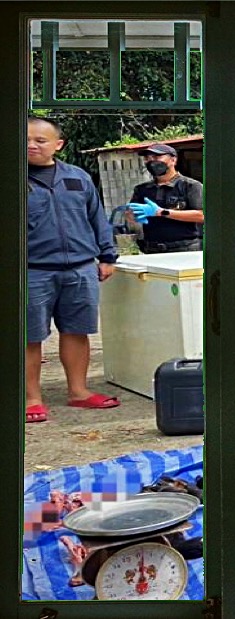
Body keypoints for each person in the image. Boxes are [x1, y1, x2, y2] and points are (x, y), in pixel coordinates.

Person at [25, 116, 121, 422]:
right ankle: (31, 399)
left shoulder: (77, 176)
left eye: (40, 140)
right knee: (28, 336)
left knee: (77, 331)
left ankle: (79, 392)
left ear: (58, 144)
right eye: (25, 139)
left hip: (80, 269)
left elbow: (97, 218)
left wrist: (108, 256)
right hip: (30, 271)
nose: (31, 145)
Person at [125, 143, 205, 253]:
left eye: (157, 157)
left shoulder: (191, 186)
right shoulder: (142, 189)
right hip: (151, 249)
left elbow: (202, 215)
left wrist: (162, 212)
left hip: (184, 249)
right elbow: (131, 214)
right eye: (147, 158)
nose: (152, 161)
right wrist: (132, 215)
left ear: (173, 160)